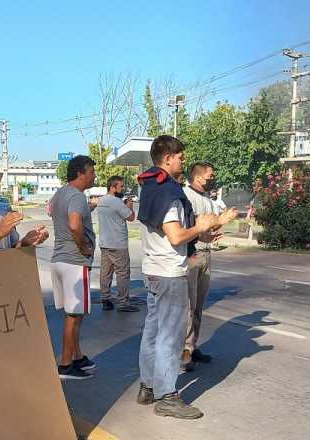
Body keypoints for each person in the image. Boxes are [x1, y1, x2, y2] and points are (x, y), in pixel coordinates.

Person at [134, 135, 235, 420]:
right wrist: (200, 226)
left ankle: (148, 386)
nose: (183, 161)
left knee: (153, 331)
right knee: (170, 336)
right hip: (169, 273)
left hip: (153, 269)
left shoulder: (151, 186)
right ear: (167, 159)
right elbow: (176, 235)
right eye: (180, 157)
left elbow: (173, 232)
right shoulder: (167, 192)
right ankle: (167, 396)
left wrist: (205, 230)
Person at [48, 155, 99, 380]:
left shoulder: (60, 193)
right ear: (80, 173)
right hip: (74, 262)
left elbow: (59, 215)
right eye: (91, 172)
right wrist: (84, 246)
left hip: (59, 260)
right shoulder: (77, 196)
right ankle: (66, 364)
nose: (94, 176)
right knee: (74, 316)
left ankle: (77, 357)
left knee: (74, 315)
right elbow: (75, 225)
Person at [181, 162, 226, 371]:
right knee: (188, 307)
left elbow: (211, 224)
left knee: (198, 305)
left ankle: (192, 345)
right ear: (198, 177)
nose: (212, 179)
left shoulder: (207, 198)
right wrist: (204, 232)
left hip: (206, 253)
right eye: (210, 176)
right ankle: (183, 352)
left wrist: (218, 226)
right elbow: (188, 228)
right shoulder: (186, 196)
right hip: (192, 255)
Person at [96, 175, 138, 312]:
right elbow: (131, 217)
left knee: (106, 272)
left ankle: (106, 299)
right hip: (118, 243)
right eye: (121, 186)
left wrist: (123, 205)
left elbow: (114, 215)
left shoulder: (101, 201)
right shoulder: (116, 202)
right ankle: (123, 302)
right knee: (123, 273)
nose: (123, 188)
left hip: (104, 242)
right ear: (113, 187)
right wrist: (130, 206)